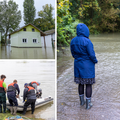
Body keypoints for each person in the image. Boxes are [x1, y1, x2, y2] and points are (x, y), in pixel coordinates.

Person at [70, 23, 98, 109]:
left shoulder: (73, 41)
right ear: (86, 31)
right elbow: (91, 54)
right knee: (88, 84)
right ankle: (88, 104)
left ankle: (81, 101)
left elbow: (73, 54)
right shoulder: (87, 41)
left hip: (78, 65)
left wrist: (78, 58)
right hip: (87, 66)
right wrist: (95, 61)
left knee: (81, 84)